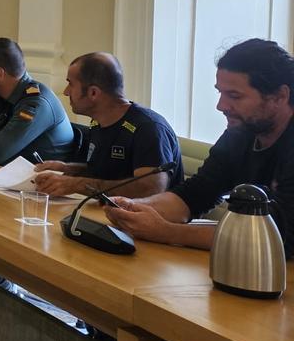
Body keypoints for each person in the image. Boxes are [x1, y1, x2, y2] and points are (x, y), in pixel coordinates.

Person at [105, 38, 294, 257]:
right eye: (220, 92)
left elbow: (279, 235)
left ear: (280, 96)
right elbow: (196, 193)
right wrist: (135, 207)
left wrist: (167, 232)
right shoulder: (241, 132)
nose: (221, 106)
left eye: (234, 96)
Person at [33, 53, 182, 198]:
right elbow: (106, 173)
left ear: (93, 93)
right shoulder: (97, 123)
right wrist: (67, 169)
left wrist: (76, 184)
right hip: (108, 213)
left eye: (71, 84)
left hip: (148, 220)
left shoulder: (148, 128)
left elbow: (151, 189)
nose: (66, 92)